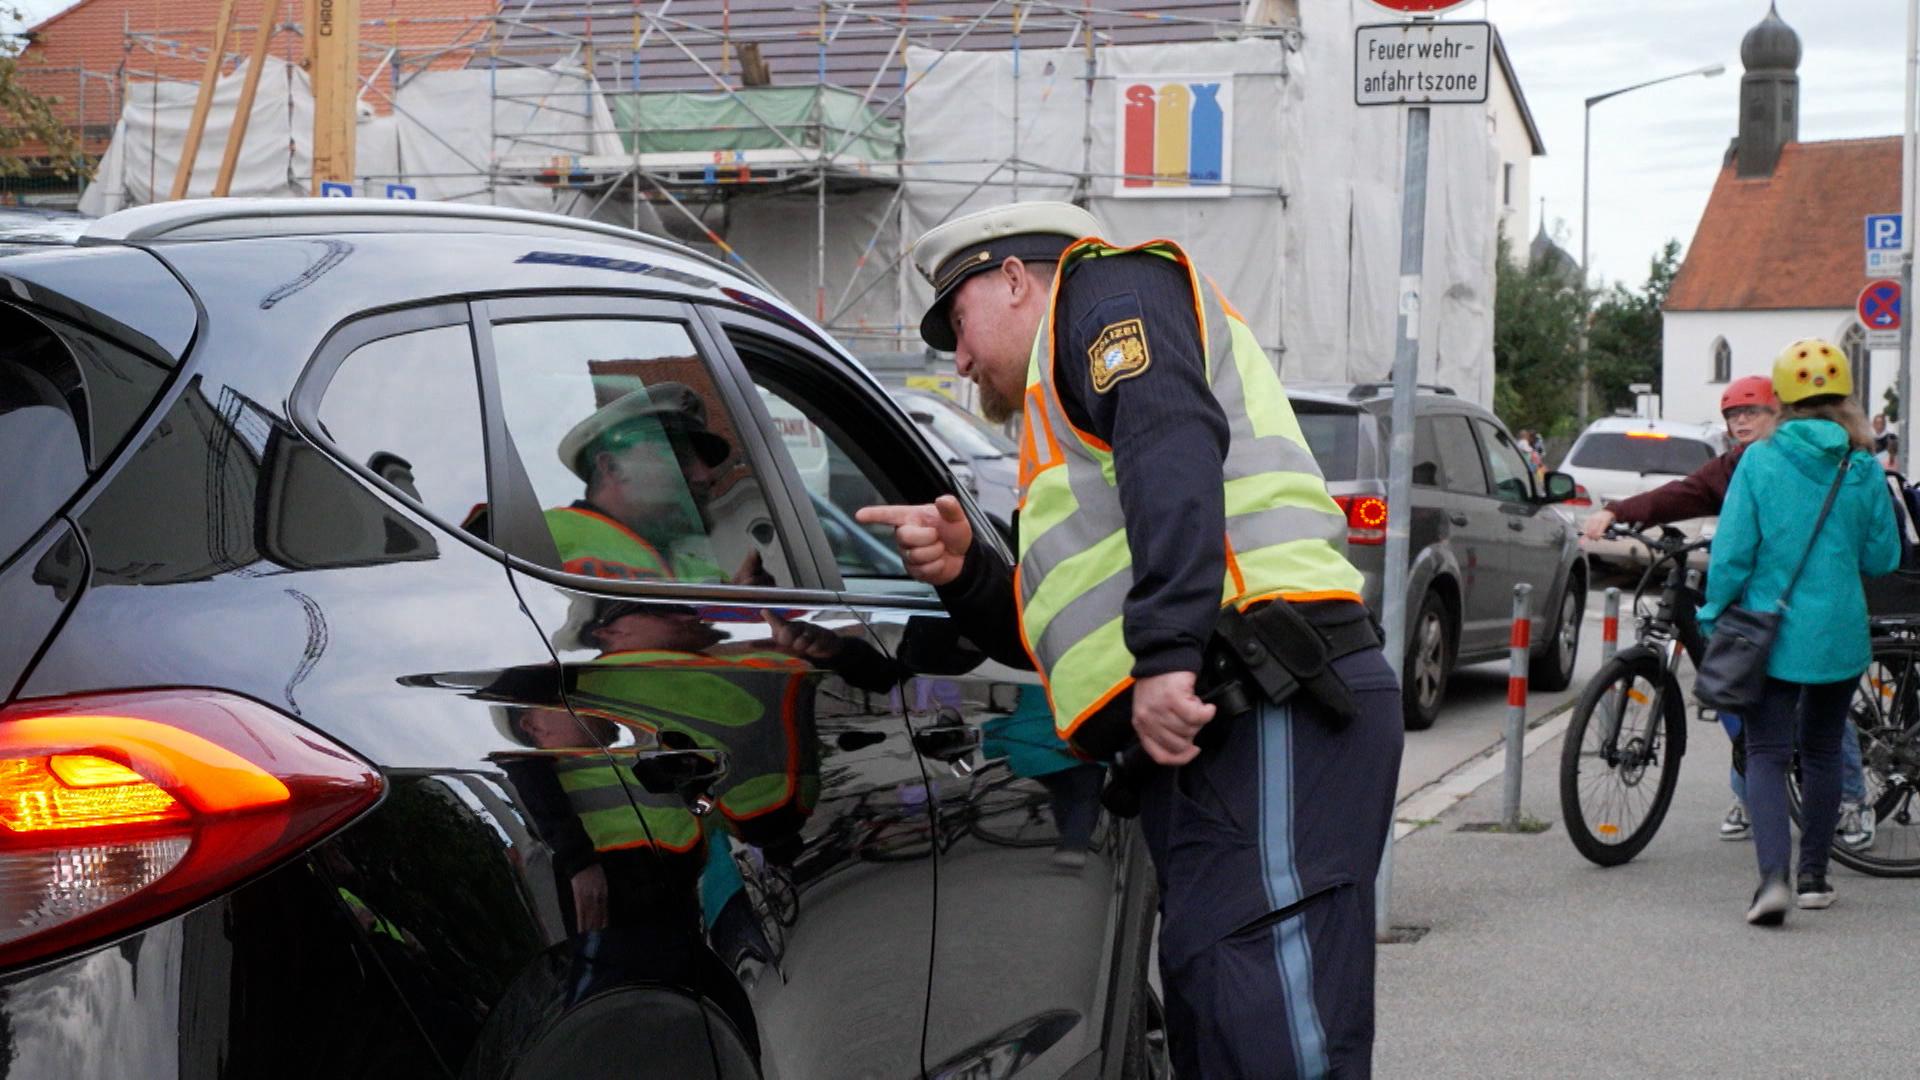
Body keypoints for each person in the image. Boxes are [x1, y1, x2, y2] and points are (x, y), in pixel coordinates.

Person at [856, 202, 1404, 1077]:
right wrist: (966, 573)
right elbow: (1066, 633)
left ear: (1013, 280)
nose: (956, 359)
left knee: (1271, 1028)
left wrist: (1165, 657)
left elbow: (1173, 447)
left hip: (1266, 698)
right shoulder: (1056, 426)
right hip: (1216, 723)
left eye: (956, 323)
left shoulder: (1108, 289)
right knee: (1223, 1013)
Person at [1582, 374, 1877, 850]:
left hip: (1807, 606)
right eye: (1733, 415)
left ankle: (1849, 799)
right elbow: (1680, 494)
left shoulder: (1811, 461)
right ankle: (1751, 794)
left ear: (1780, 413)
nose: (1741, 422)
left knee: (1814, 707)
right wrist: (1619, 511)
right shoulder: (1737, 464)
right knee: (1741, 695)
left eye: (1752, 412)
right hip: (1759, 605)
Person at [1698, 339, 1900, 925]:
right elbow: (1884, 557)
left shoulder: (1760, 460)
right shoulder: (1861, 466)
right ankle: (1815, 877)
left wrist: (1715, 613)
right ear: (1845, 402)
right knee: (1819, 750)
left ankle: (1772, 882)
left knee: (1765, 751)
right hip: (1838, 632)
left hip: (1770, 631)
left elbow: (1733, 552)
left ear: (1782, 399)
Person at [549, 381, 766, 585]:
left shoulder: (702, 575)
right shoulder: (543, 537)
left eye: (705, 462)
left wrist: (748, 607)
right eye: (678, 457)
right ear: (612, 467)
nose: (707, 476)